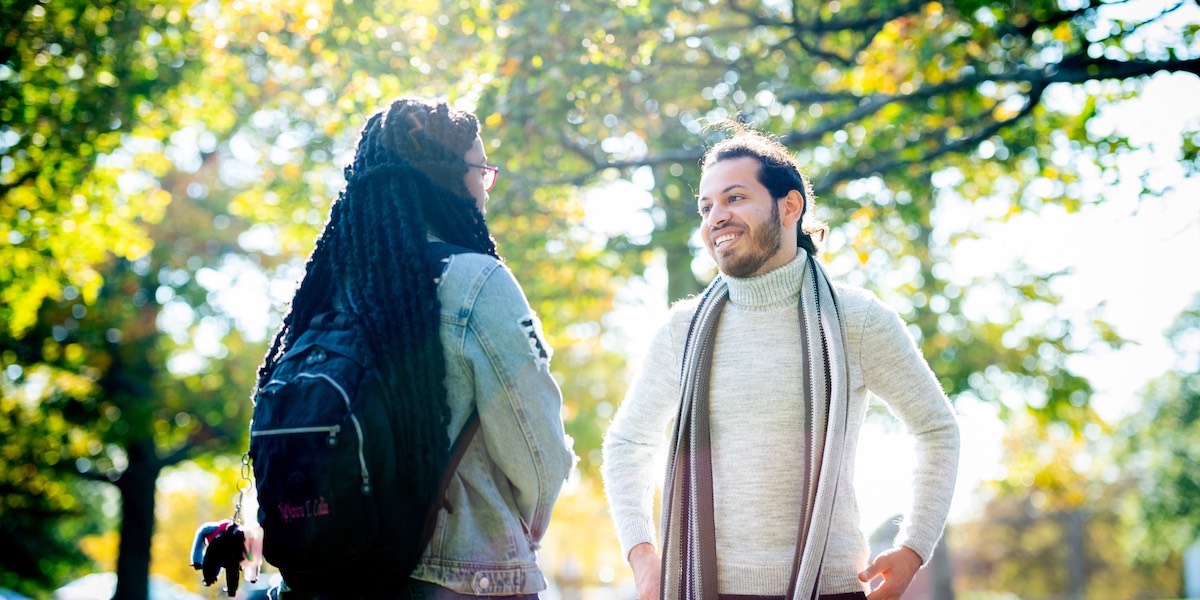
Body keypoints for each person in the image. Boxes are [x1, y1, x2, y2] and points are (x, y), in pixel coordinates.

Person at [601, 123, 960, 600]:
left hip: (830, 588)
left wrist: (914, 547)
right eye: (706, 207)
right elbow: (626, 443)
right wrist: (643, 556)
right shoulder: (682, 329)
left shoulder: (857, 319)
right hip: (701, 589)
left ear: (789, 206)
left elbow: (937, 429)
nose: (716, 218)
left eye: (734, 198)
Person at [258, 97, 575, 598]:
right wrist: (520, 528)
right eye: (482, 171)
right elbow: (538, 450)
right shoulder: (475, 280)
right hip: (457, 577)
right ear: (448, 176)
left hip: (326, 580)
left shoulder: (324, 291)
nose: (486, 188)